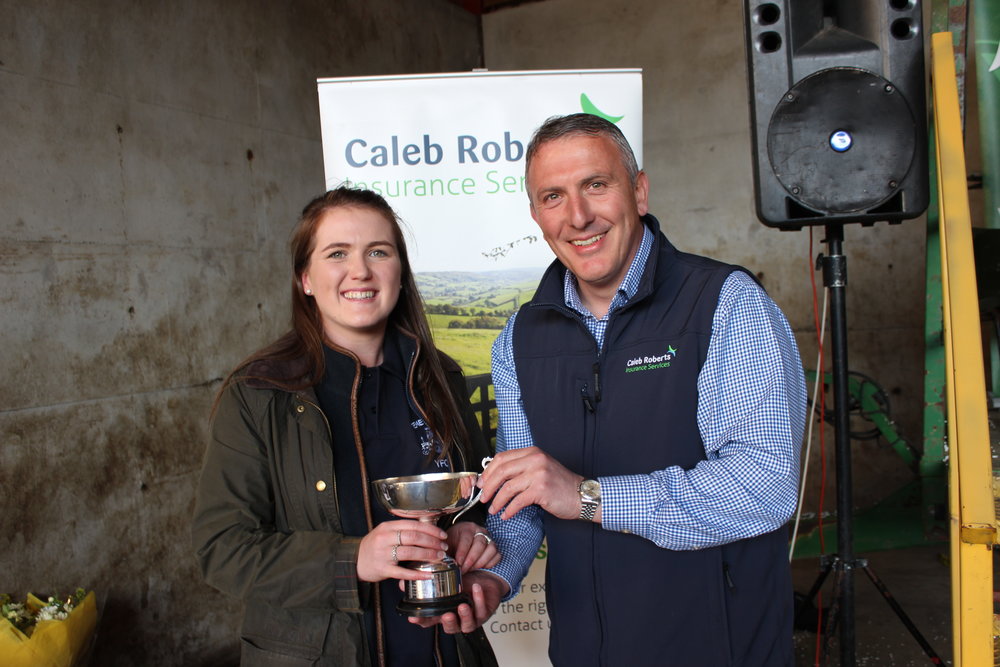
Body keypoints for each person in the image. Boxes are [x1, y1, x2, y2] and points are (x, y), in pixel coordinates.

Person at [430, 113, 808, 665]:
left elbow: (763, 485)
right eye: (553, 196)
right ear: (536, 215)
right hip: (586, 648)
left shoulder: (726, 304)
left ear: (639, 190)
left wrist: (587, 497)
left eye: (595, 185)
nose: (578, 216)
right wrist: (493, 574)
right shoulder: (520, 337)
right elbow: (524, 501)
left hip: (719, 645)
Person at [192, 187, 500, 667]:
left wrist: (472, 538)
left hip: (445, 652)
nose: (360, 271)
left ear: (399, 272)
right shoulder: (258, 393)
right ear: (306, 279)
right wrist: (351, 560)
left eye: (378, 252)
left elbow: (480, 500)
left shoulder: (443, 378)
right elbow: (222, 548)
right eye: (337, 254)